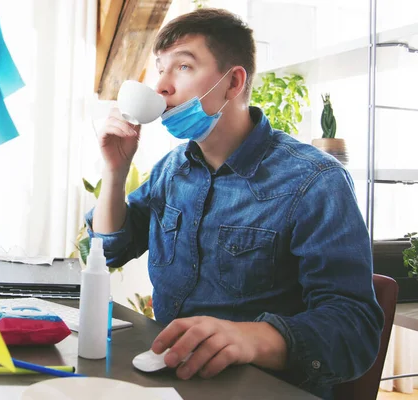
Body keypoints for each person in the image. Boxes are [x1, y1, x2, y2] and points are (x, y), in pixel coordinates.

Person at [85, 8, 383, 399]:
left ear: (233, 82)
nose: (161, 86)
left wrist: (251, 337)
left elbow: (354, 330)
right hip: (176, 381)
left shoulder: (316, 181)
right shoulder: (171, 170)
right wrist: (115, 172)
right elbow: (108, 250)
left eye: (184, 66)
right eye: (160, 68)